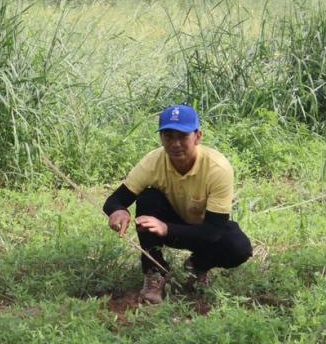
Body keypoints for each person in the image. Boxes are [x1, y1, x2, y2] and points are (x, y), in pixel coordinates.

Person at [103, 105, 253, 304]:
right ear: (161, 138)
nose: (175, 144)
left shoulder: (218, 168)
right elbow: (114, 200)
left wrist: (166, 228)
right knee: (149, 198)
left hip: (203, 232)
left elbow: (213, 231)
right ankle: (154, 272)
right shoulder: (153, 162)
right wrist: (118, 211)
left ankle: (197, 265)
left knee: (239, 248)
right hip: (170, 223)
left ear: (198, 136)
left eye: (182, 136)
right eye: (168, 136)